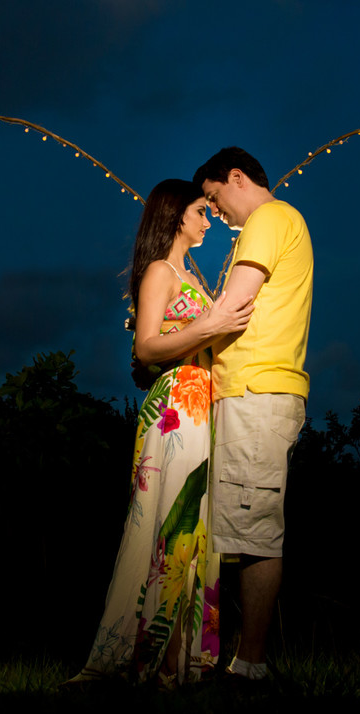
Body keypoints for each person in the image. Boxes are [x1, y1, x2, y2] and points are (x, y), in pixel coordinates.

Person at [69, 179, 254, 688]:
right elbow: (148, 347)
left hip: (202, 407)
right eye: (200, 210)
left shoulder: (190, 272)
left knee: (195, 527)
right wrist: (213, 324)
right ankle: (156, 657)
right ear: (175, 215)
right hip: (175, 407)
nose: (208, 218)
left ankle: (186, 657)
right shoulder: (159, 271)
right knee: (169, 522)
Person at [193, 147, 313, 682]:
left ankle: (250, 664)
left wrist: (163, 341)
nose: (217, 214)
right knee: (235, 529)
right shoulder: (277, 223)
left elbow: (234, 306)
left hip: (257, 392)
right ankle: (227, 656)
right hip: (247, 392)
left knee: (254, 530)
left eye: (215, 198)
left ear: (237, 178)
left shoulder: (269, 217)